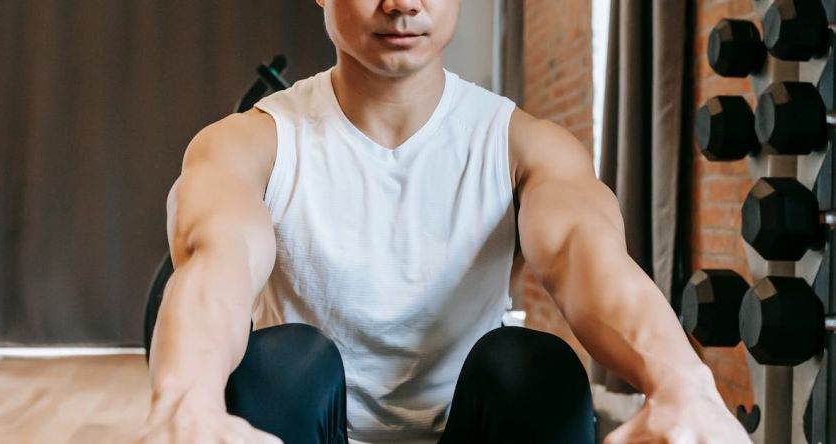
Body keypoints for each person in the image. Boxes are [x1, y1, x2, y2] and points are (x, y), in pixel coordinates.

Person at [138, 1, 752, 443]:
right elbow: (216, 256)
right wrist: (184, 403)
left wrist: (683, 385)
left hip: (469, 427)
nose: (402, 5)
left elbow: (586, 256)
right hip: (305, 426)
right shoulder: (250, 144)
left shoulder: (525, 146)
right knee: (280, 360)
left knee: (533, 366)